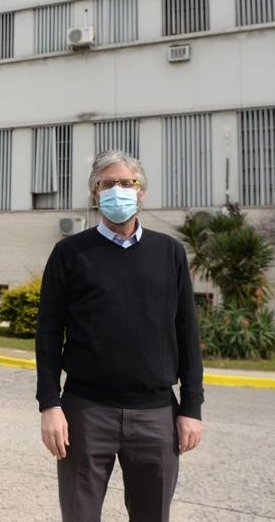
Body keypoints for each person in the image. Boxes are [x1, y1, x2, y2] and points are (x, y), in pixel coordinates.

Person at [35, 150, 203, 522]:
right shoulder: (69, 253)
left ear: (141, 192)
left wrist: (191, 407)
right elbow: (48, 333)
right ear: (95, 194)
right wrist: (50, 404)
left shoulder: (170, 252)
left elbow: (187, 332)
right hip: (85, 411)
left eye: (127, 183)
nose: (117, 191)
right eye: (107, 184)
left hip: (156, 413)